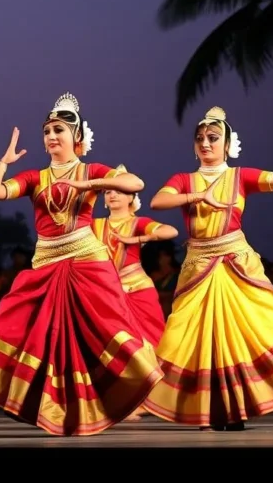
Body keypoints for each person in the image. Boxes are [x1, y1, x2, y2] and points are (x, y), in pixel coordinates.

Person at [0, 93, 163, 436]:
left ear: (76, 137)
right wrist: (3, 162)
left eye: (58, 130)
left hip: (86, 261)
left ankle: (103, 400)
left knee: (95, 333)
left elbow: (135, 183)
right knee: (20, 325)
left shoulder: (91, 169)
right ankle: (47, 405)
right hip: (46, 263)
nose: (50, 136)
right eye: (47, 130)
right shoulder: (35, 177)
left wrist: (91, 183)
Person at [142, 106, 273, 431]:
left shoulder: (239, 176)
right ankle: (205, 408)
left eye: (213, 138)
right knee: (198, 338)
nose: (206, 144)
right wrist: (198, 196)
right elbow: (157, 202)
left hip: (234, 264)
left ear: (227, 144)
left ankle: (236, 408)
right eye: (200, 139)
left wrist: (264, 178)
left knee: (239, 334)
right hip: (198, 267)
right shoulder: (184, 180)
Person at [91, 163, 179, 421]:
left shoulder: (139, 223)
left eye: (119, 190)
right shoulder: (94, 226)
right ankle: (123, 400)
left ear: (132, 197)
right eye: (108, 191)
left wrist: (138, 239)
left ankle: (157, 399)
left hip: (138, 291)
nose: (113, 195)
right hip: (107, 294)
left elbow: (169, 231)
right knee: (114, 347)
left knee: (150, 344)